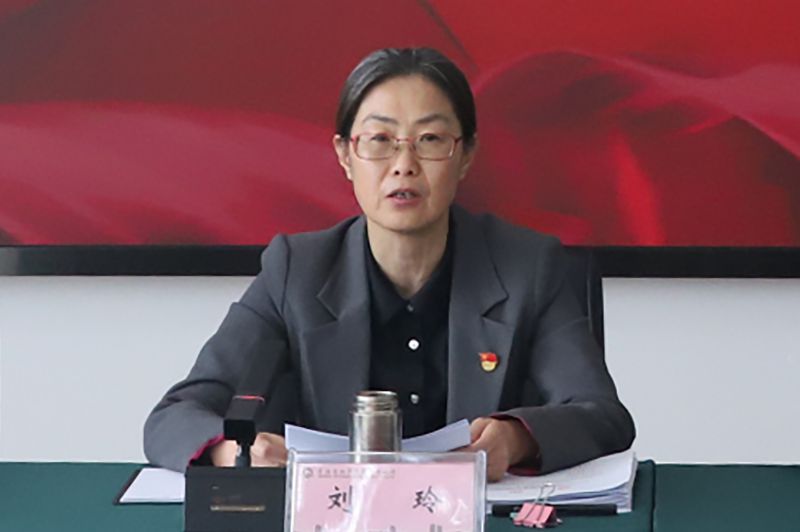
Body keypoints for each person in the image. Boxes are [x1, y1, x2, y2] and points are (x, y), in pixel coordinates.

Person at [143, 47, 634, 481]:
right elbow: (175, 415)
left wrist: (517, 438)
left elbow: (602, 414)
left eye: (430, 139)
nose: (404, 165)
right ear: (345, 155)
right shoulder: (296, 271)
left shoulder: (527, 267)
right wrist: (233, 453)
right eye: (379, 140)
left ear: (466, 155)